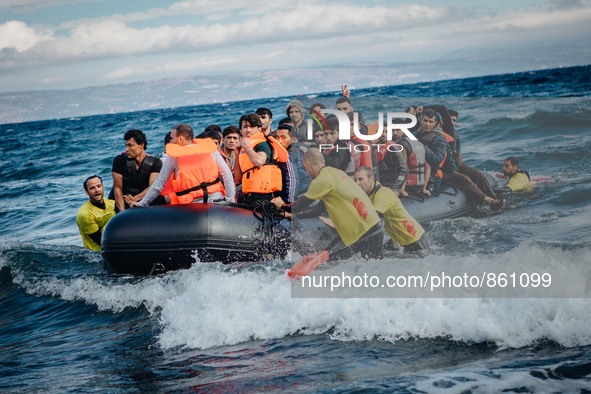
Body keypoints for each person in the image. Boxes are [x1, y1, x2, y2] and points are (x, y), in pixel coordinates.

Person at [273, 148, 383, 261]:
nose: (307, 173)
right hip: (375, 228)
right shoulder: (336, 173)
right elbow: (318, 210)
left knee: (328, 262)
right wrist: (294, 216)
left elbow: (298, 206)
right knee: (329, 258)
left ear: (308, 164)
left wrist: (280, 206)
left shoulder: (321, 180)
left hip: (363, 232)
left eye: (305, 169)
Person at [132, 123, 235, 206]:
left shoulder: (173, 158)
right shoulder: (211, 151)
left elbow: (159, 185)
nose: (170, 142)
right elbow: (227, 176)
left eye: (172, 138)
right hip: (216, 200)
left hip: (192, 206)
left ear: (180, 139)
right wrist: (230, 200)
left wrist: (142, 203)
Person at [354, 167, 425, 253]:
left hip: (414, 238)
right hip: (400, 240)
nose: (357, 183)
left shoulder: (383, 193)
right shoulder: (368, 195)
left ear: (371, 179)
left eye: (360, 179)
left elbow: (373, 218)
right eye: (355, 180)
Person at [235, 113, 289, 205]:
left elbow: (259, 162)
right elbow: (237, 179)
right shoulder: (242, 149)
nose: (248, 130)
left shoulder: (262, 144)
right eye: (245, 127)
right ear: (241, 131)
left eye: (252, 127)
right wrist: (237, 154)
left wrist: (248, 147)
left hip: (264, 195)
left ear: (259, 129)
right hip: (249, 194)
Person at [111, 129, 163, 212]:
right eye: (126, 145)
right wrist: (123, 213)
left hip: (145, 199)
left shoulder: (155, 162)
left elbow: (152, 187)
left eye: (130, 145)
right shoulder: (119, 160)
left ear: (141, 145)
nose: (126, 149)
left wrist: (135, 199)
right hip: (125, 201)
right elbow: (117, 189)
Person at [76, 175, 115, 251]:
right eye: (92, 188)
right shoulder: (84, 214)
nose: (97, 190)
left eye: (99, 186)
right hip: (95, 255)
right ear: (87, 192)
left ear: (102, 187)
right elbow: (100, 241)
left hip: (112, 244)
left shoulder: (112, 203)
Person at [276, 122, 310, 197]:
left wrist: (288, 200)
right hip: (311, 191)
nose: (279, 141)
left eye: (283, 137)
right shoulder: (302, 146)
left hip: (300, 195)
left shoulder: (289, 154)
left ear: (293, 139)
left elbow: (293, 180)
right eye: (277, 137)